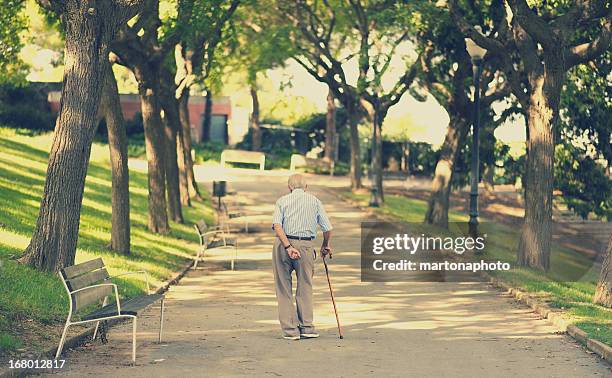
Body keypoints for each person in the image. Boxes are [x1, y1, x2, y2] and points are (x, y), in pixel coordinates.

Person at [272, 174, 333, 340]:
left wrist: (288, 246)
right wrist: (325, 245)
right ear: (306, 187)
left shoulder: (282, 201)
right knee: (305, 286)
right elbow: (327, 228)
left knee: (283, 288)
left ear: (289, 187)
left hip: (283, 246)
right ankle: (307, 327)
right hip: (306, 246)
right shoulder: (314, 201)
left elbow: (277, 225)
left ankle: (290, 331)